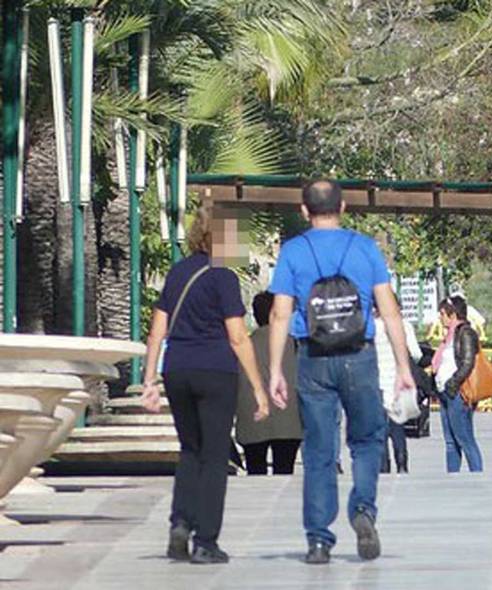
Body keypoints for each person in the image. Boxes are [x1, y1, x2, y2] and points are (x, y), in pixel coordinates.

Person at [267, 180, 415, 564]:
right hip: (359, 356)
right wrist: (403, 367)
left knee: (319, 448)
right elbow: (389, 310)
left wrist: (275, 370)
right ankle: (363, 509)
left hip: (313, 357)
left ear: (304, 210)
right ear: (343, 207)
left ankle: (319, 540)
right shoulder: (364, 248)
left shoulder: (293, 251)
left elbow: (280, 313)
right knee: (366, 440)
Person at [139, 208, 269, 564]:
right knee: (214, 456)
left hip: (177, 369)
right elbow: (238, 337)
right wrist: (258, 387)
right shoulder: (223, 277)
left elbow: (156, 332)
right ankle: (206, 541)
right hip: (215, 371)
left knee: (190, 451)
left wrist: (149, 379)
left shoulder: (178, 272)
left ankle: (180, 523)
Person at [236, 292, 303, 475]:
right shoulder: (294, 344)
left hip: (252, 416)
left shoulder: (244, 345)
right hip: (288, 420)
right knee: (284, 470)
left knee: (255, 471)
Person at [433, 295, 484, 472]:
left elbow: (468, 363)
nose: (440, 318)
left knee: (465, 438)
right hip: (445, 393)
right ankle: (452, 477)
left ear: (453, 314)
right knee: (450, 441)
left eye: (442, 314)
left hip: (458, 393)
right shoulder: (449, 336)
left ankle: (477, 474)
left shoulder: (465, 333)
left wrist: (452, 384)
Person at [375, 299, 423, 474]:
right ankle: (402, 464)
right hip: (397, 381)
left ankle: (383, 466)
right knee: (397, 427)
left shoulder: (372, 326)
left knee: (379, 429)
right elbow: (416, 354)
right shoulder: (404, 326)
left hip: (376, 383)